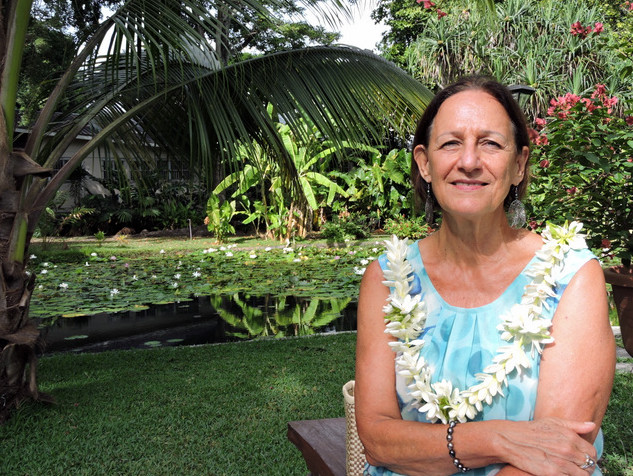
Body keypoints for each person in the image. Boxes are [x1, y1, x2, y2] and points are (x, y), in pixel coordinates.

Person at [355, 76, 616, 476]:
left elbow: (559, 454)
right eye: (450, 143)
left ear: (519, 165)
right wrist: (496, 438)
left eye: (491, 143)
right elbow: (376, 439)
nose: (470, 161)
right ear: (424, 164)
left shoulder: (572, 277)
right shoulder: (388, 279)